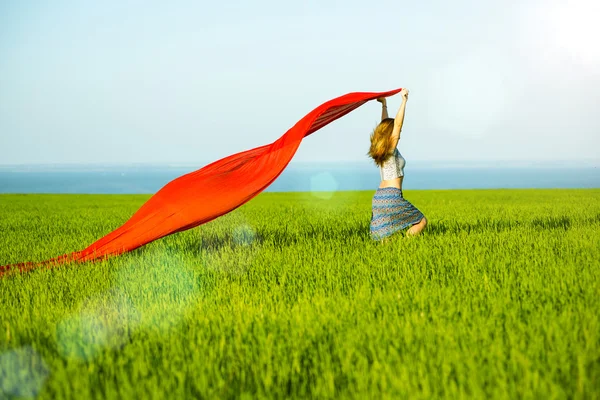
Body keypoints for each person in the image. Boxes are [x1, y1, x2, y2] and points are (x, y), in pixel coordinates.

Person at [367, 88, 427, 241]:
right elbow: (398, 126)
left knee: (385, 238)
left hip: (378, 198)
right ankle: (404, 245)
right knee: (421, 221)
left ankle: (388, 255)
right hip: (392, 195)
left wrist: (384, 105)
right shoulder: (391, 150)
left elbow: (384, 126)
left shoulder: (382, 150)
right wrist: (404, 101)